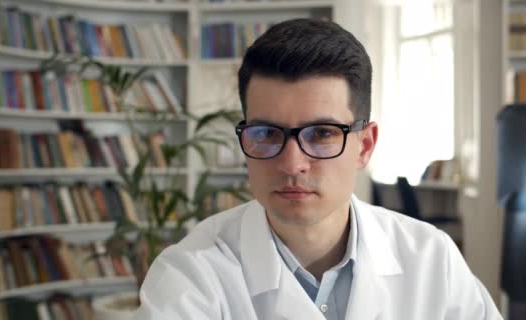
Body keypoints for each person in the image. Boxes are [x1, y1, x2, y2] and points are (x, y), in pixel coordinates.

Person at [135, 18, 503, 320]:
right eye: (266, 133)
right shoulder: (190, 274)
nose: (292, 163)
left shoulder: (432, 260)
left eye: (323, 133)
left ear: (366, 145)